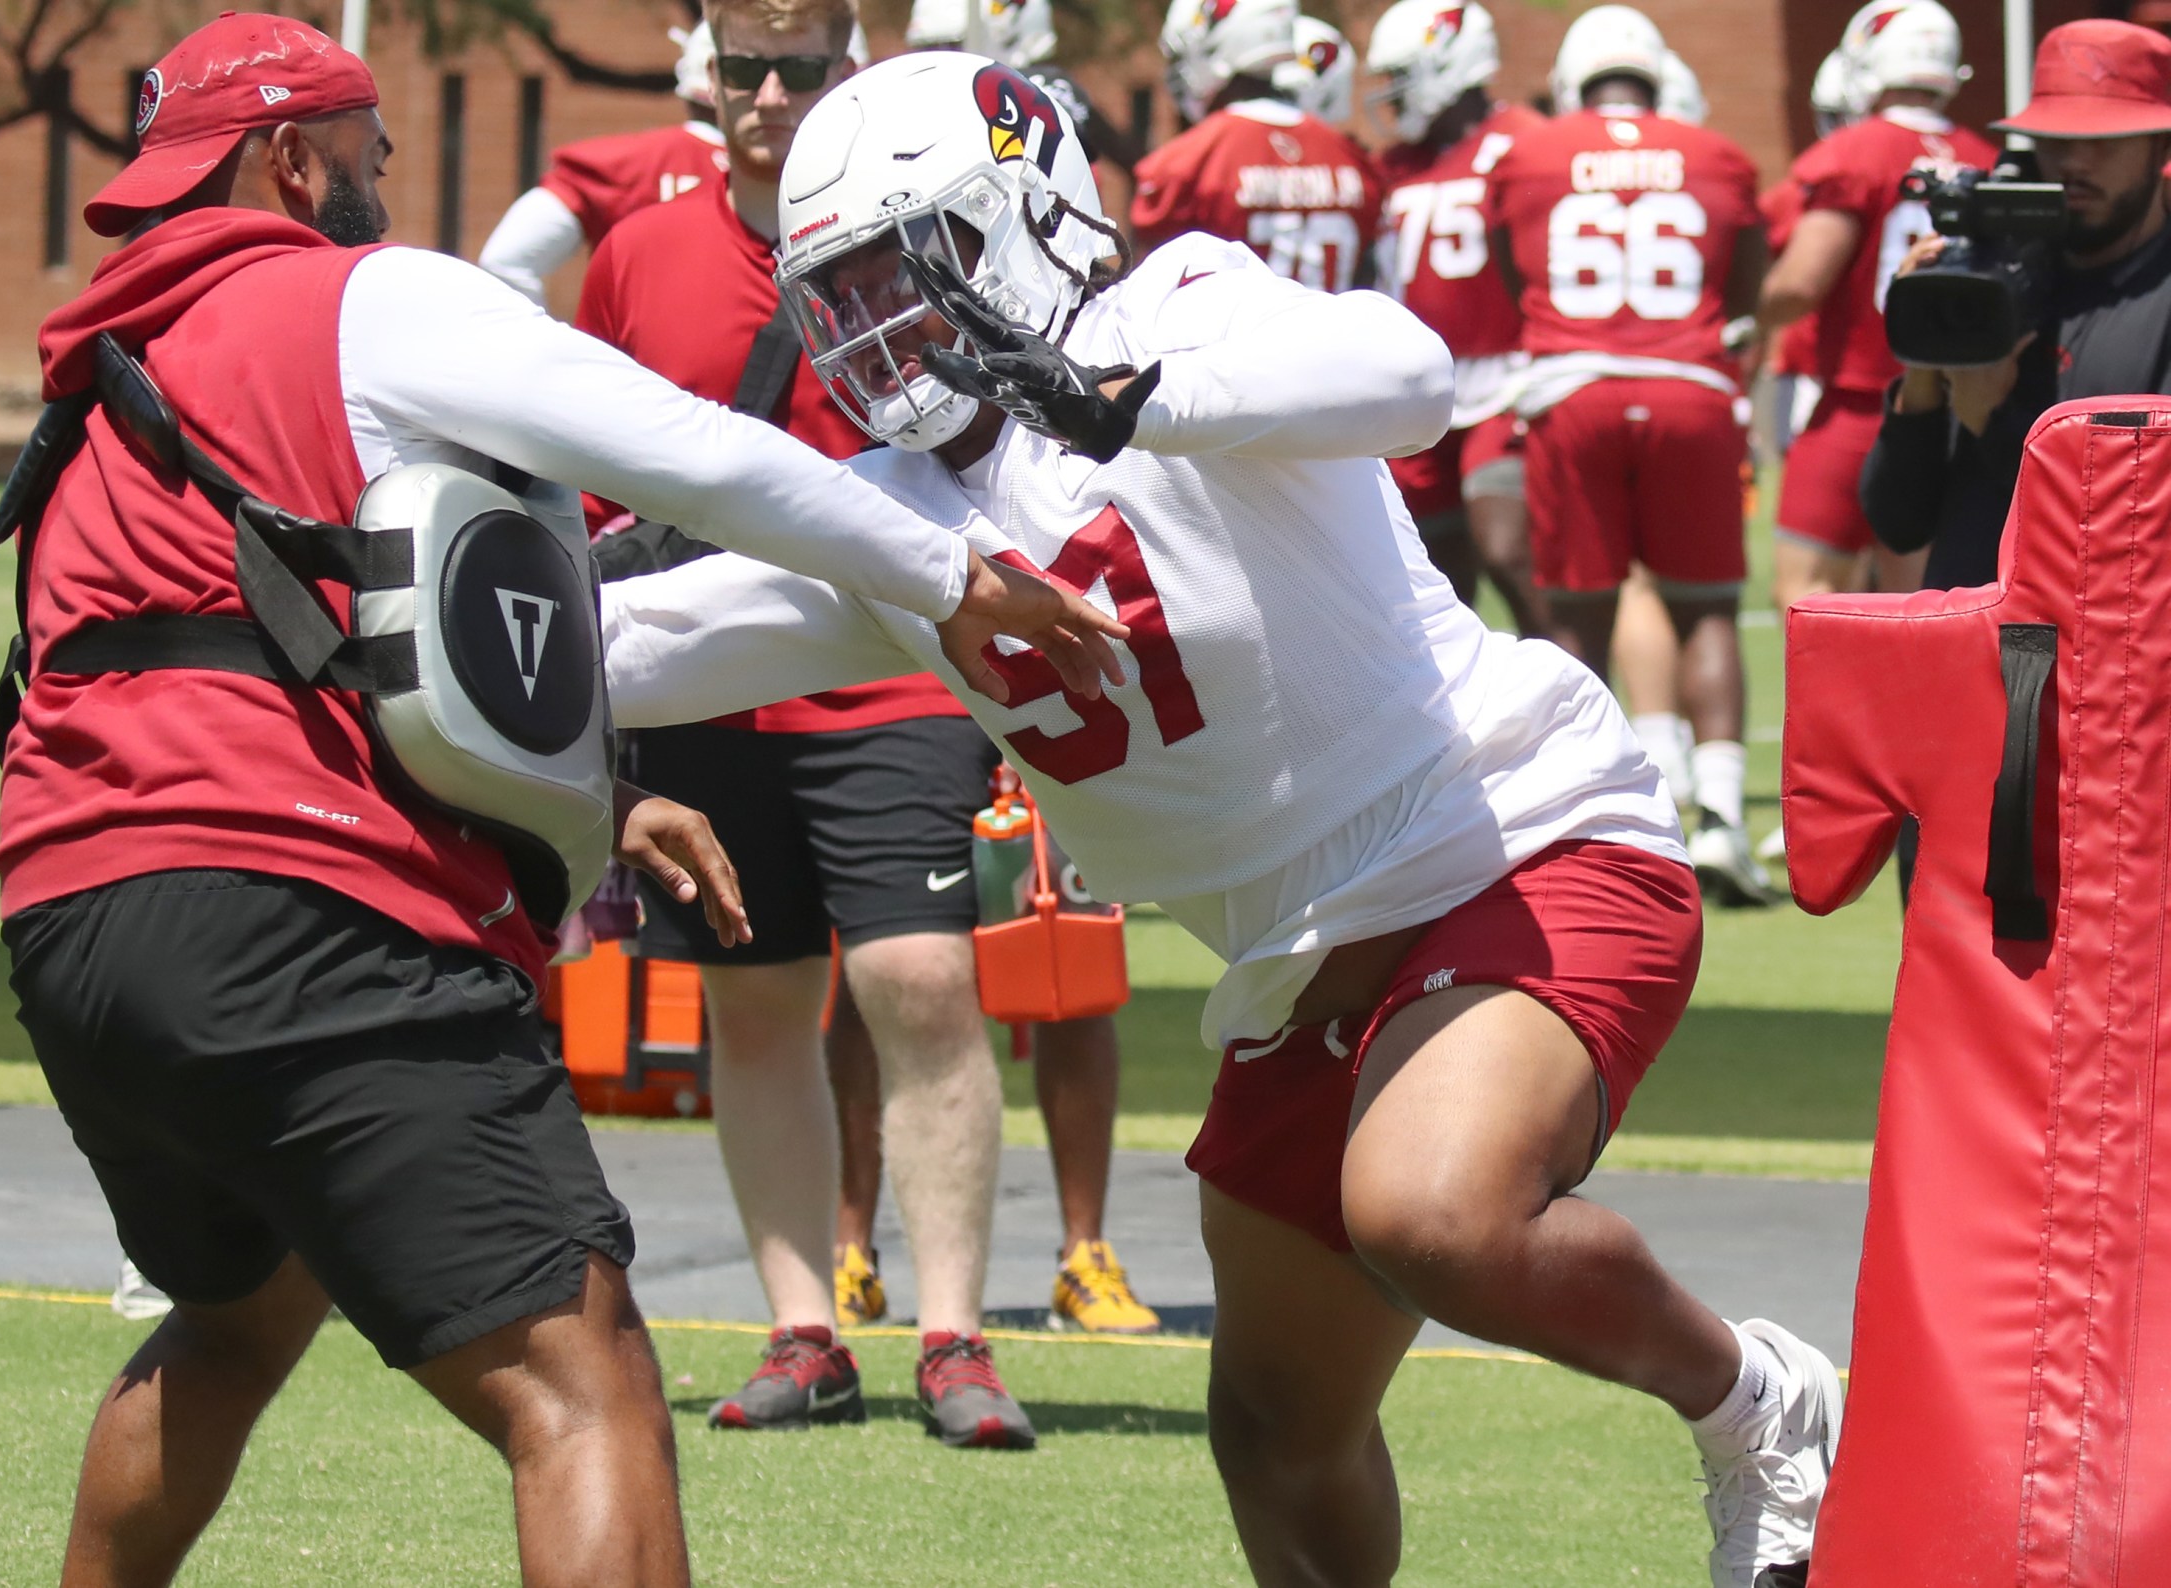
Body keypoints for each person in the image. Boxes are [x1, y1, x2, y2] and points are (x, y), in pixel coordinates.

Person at [603, 48, 1844, 1587]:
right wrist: (453, 605)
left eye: (896, 278)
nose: (870, 336)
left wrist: (1134, 406)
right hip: (1293, 959)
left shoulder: (1173, 311)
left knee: (1435, 1212)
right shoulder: (901, 518)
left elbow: (1402, 372)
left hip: (1506, 836)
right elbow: (660, 642)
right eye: (835, 300)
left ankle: (1761, 1406)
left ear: (1016, 222)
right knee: (1275, 1427)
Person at [0, 17, 1121, 1584]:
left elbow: (261, 647)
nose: (385, 195)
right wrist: (952, 576)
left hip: (73, 926)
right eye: (373, 162)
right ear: (292, 159)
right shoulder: (368, 297)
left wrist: (594, 798)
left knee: (233, 1323)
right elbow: (694, 459)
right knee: (583, 1391)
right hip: (303, 912)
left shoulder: (95, 370)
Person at [580, 0, 1059, 1444]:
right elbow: (594, 482)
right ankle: (804, 1329)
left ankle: (956, 1338)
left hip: (896, 670)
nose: (771, 94)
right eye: (746, 67)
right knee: (757, 1000)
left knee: (921, 986)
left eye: (803, 67)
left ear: (851, 72)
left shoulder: (913, 229)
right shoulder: (639, 252)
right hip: (703, 683)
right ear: (708, 76)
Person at [825, 0, 1163, 1341]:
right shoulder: (852, 178)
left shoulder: (1048, 181)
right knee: (893, 963)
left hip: (1052, 608)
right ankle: (852, 1233)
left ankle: (1084, 1245)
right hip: (905, 611)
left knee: (1066, 949)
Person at [1483, 5, 1773, 907]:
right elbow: (1743, 285)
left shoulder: (1531, 151)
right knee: (1706, 609)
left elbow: (1512, 268)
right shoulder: (1718, 154)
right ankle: (1720, 814)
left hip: (1574, 391)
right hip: (1690, 387)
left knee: (1574, 614)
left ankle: (1579, 816)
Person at [1864, 18, 2171, 591]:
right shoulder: (1993, 269)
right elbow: (1898, 519)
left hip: (2114, 660)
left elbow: (2132, 532)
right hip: (1973, 652)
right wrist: (1923, 371)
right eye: (2056, 142)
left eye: (2104, 143)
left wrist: (1992, 420)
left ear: (2162, 148)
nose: (2075, 165)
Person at [1759, 1, 1991, 619]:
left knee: (1808, 594)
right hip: (1952, 408)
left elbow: (1801, 283)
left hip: (1858, 404)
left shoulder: (1857, 150)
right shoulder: (1984, 157)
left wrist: (1749, 313)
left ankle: (1838, 722)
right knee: (1925, 604)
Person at [1362, 0, 1546, 634]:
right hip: (1418, 383)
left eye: (1402, 75)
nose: (1391, 94)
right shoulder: (1393, 166)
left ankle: (1575, 691)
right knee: (1430, 570)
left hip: (1507, 376)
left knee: (1508, 553)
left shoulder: (1525, 140)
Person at [1134, 0, 1381, 292]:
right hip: (1334, 334)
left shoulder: (1186, 162)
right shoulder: (1353, 160)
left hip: (1229, 337)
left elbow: (1150, 298)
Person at [477, 25, 729, 306]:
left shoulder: (623, 165)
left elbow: (505, 262)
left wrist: (548, 347)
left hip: (631, 348)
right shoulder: (778, 171)